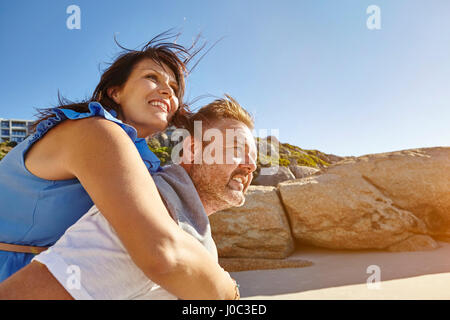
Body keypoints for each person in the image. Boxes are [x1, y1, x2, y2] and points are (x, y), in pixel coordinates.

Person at [0, 32, 238, 299]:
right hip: (22, 280)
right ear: (115, 91)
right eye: (152, 77)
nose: (166, 91)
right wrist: (230, 293)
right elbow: (162, 253)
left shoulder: (143, 159)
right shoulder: (95, 131)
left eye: (173, 88)